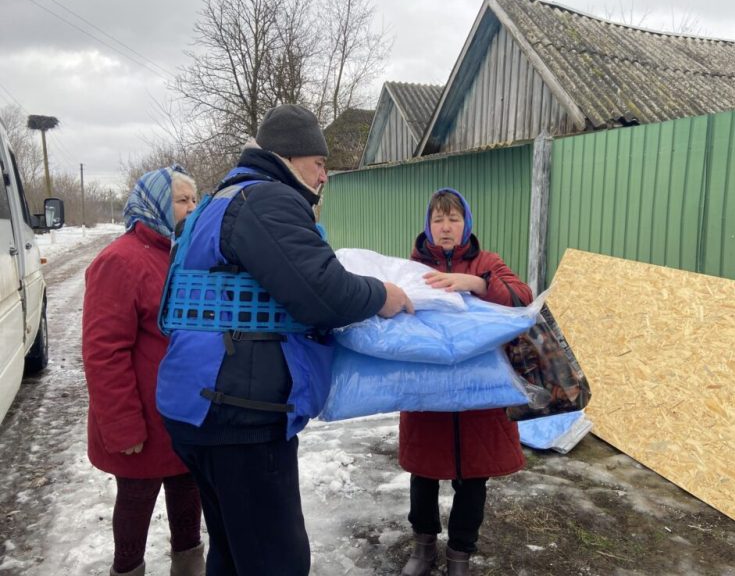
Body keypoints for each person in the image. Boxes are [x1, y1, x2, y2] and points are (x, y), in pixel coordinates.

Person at [156, 104, 413, 576]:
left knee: (233, 551)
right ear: (291, 159)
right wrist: (382, 294)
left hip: (204, 406)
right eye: (320, 164)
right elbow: (323, 292)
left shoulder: (222, 200)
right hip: (238, 415)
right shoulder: (265, 201)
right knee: (277, 561)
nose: (325, 177)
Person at [399, 188, 533, 576]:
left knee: (473, 479)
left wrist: (472, 283)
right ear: (428, 225)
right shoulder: (411, 267)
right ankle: (423, 547)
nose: (445, 228)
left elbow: (521, 296)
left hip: (480, 397)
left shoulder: (487, 263)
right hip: (429, 393)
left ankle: (460, 553)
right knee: (423, 473)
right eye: (438, 220)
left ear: (466, 224)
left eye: (453, 219)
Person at [82, 166, 204, 576]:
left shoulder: (184, 254)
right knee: (136, 503)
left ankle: (189, 568)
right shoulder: (120, 260)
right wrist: (122, 427)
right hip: (141, 421)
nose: (192, 208)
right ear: (153, 204)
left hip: (183, 413)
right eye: (181, 200)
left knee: (189, 498)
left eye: (194, 200)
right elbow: (103, 352)